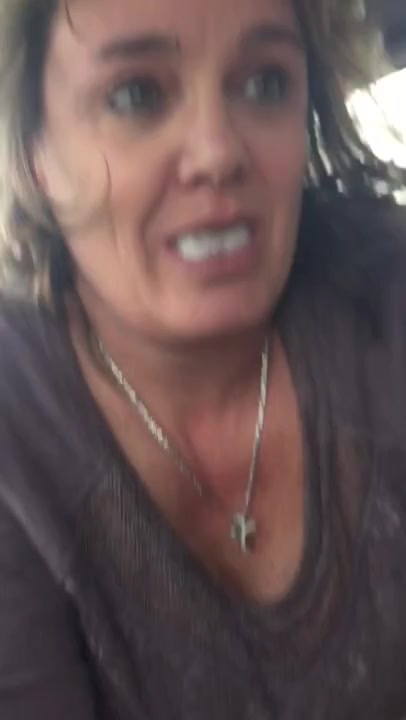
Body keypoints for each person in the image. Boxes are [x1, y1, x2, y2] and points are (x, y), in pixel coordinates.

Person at [0, 0, 406, 717]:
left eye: (265, 84)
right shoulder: (18, 435)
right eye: (136, 95)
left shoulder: (383, 294)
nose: (218, 152)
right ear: (33, 151)